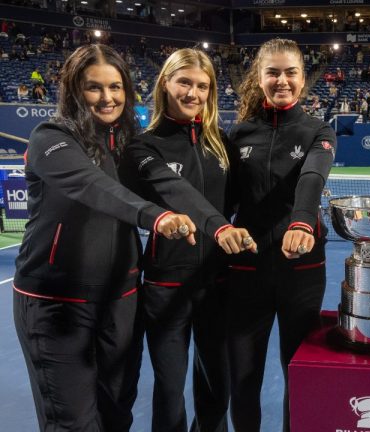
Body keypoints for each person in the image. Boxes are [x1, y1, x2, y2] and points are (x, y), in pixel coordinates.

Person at [13, 44, 195, 432]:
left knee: (116, 415)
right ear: (74, 91)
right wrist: (155, 215)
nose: (107, 97)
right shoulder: (50, 138)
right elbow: (92, 186)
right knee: (73, 423)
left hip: (121, 301)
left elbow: (169, 185)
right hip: (56, 304)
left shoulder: (130, 143)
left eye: (116, 87)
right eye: (94, 88)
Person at [126, 48, 257, 432]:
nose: (193, 93)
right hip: (166, 287)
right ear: (165, 83)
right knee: (169, 390)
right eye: (184, 82)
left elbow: (235, 200)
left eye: (202, 86)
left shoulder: (221, 145)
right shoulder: (143, 147)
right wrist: (217, 227)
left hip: (216, 285)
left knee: (218, 387)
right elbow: (177, 192)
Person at [227, 38, 336, 431]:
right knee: (242, 379)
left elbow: (312, 176)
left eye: (290, 72)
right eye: (273, 72)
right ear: (259, 77)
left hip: (302, 271)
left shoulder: (319, 131)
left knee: (301, 375)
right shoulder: (236, 135)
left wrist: (302, 221)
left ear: (303, 78)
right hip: (244, 274)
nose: (282, 80)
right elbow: (221, 203)